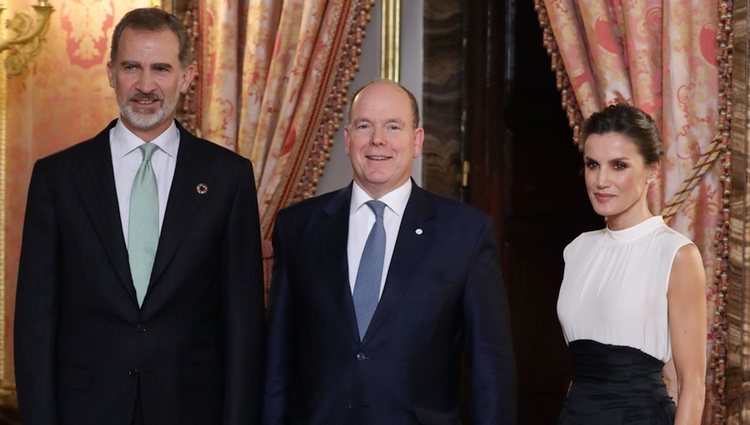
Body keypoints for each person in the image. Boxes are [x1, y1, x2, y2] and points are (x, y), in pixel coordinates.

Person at [14, 8, 265, 425]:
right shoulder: (58, 178)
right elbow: (35, 323)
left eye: (161, 68)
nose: (146, 85)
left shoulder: (228, 178)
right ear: (111, 72)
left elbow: (243, 326)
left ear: (187, 77)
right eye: (132, 67)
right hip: (85, 411)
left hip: (191, 409)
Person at [263, 79, 516, 425]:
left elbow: (491, 370)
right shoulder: (298, 227)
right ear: (348, 140)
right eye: (365, 126)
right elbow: (277, 356)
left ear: (417, 141)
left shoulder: (465, 233)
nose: (377, 139)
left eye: (393, 126)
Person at [556, 103, 707, 424]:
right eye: (592, 164)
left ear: (652, 170)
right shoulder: (577, 250)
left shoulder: (676, 253)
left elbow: (693, 384)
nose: (601, 180)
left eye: (619, 165)